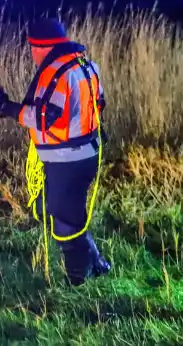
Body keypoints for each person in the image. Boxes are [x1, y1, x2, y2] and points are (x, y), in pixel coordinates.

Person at [0, 18, 111, 286]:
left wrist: (8, 108)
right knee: (54, 209)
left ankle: (77, 282)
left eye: (31, 48)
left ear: (41, 47)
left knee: (64, 219)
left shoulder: (55, 72)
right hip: (83, 154)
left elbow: (45, 118)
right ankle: (96, 263)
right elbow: (100, 102)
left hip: (68, 159)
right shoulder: (86, 65)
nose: (31, 54)